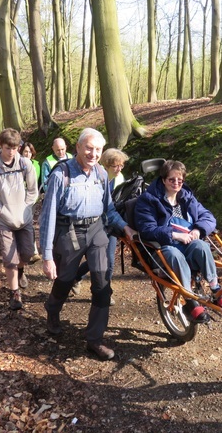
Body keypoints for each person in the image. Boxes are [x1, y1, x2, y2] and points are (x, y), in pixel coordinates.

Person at [39, 128, 137, 360]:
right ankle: (52, 310)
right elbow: (48, 215)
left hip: (96, 231)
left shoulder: (102, 174)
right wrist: (47, 256)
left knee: (102, 284)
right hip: (68, 231)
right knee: (64, 280)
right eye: (89, 148)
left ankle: (95, 340)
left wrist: (125, 227)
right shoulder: (60, 175)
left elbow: (109, 209)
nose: (93, 154)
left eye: (98, 149)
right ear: (78, 148)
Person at [133, 160, 222, 323]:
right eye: (171, 180)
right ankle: (190, 299)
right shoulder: (149, 200)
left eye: (180, 180)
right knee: (174, 254)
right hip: (163, 248)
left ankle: (216, 290)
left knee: (201, 245)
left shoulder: (186, 197)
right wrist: (174, 235)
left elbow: (208, 217)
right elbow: (146, 228)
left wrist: (198, 229)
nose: (176, 183)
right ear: (163, 180)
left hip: (187, 244)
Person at [0, 129, 38, 310]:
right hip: (4, 220)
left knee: (27, 254)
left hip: (24, 217)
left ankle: (21, 271)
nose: (11, 152)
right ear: (1, 146)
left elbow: (33, 191)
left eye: (15, 148)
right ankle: (15, 293)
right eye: (8, 148)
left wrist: (26, 208)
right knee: (9, 257)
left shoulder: (25, 164)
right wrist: (1, 211)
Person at [71, 148, 130, 303]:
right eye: (116, 166)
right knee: (96, 259)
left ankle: (104, 291)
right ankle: (77, 276)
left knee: (109, 260)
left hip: (111, 224)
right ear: (107, 165)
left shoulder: (120, 178)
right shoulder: (98, 176)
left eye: (121, 165)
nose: (119, 169)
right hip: (96, 224)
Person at [20, 141, 43, 264]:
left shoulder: (36, 165)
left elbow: (34, 184)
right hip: (18, 199)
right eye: (25, 152)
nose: (27, 154)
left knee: (28, 223)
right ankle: (25, 249)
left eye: (29, 152)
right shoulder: (17, 164)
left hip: (31, 199)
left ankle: (33, 251)